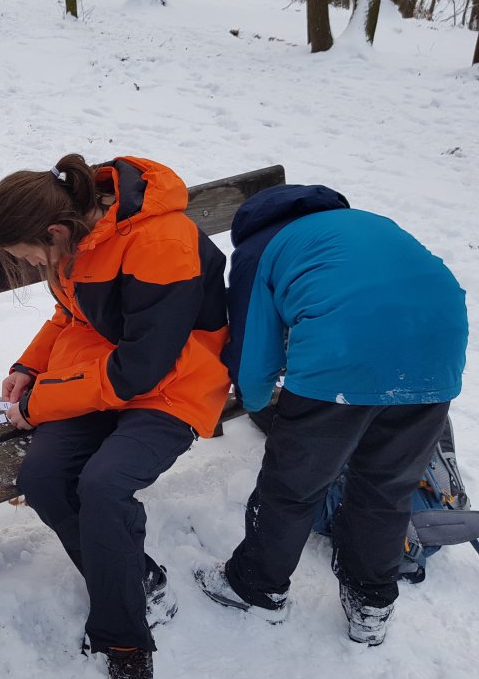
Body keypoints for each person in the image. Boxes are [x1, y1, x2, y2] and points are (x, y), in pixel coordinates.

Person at [0, 154, 231, 679]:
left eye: (29, 256)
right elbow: (72, 312)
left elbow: (141, 369)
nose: (33, 266)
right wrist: (30, 365)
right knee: (43, 479)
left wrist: (40, 403)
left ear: (54, 232)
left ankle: (123, 641)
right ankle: (136, 579)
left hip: (173, 381)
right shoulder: (78, 234)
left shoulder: (160, 242)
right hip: (103, 372)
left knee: (103, 485)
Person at [193, 184, 468, 646]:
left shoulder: (259, 249)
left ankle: (255, 586)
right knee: (386, 488)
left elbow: (252, 350)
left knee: (292, 485)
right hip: (437, 353)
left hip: (344, 356)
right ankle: (371, 603)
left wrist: (256, 400)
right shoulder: (366, 224)